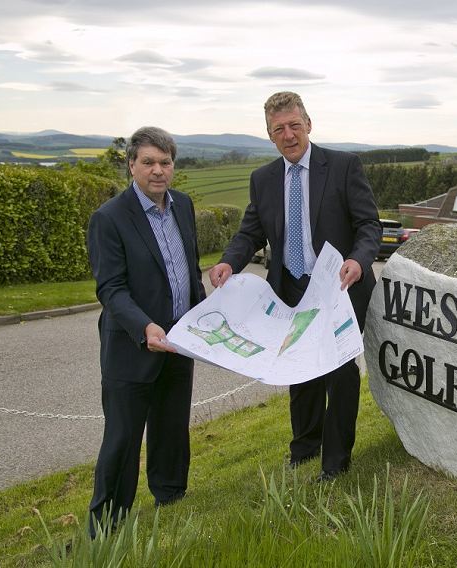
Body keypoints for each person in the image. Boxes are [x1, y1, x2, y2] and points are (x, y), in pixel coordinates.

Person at [209, 91, 381, 481]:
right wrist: (227, 261)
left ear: (308, 125)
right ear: (270, 135)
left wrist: (358, 259)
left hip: (340, 286)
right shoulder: (263, 179)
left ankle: (336, 462)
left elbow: (369, 225)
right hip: (289, 290)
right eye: (278, 129)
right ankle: (305, 448)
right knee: (300, 371)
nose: (288, 135)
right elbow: (250, 232)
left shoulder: (343, 166)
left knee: (339, 373)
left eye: (294, 126)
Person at [86, 126, 206, 536]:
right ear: (131, 165)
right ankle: (107, 524)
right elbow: (111, 289)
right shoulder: (109, 218)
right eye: (149, 162)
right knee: (121, 438)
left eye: (166, 162)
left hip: (179, 341)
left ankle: (170, 497)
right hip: (133, 346)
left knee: (172, 426)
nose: (158, 171)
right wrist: (145, 326)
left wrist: (207, 317)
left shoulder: (183, 206)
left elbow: (190, 272)